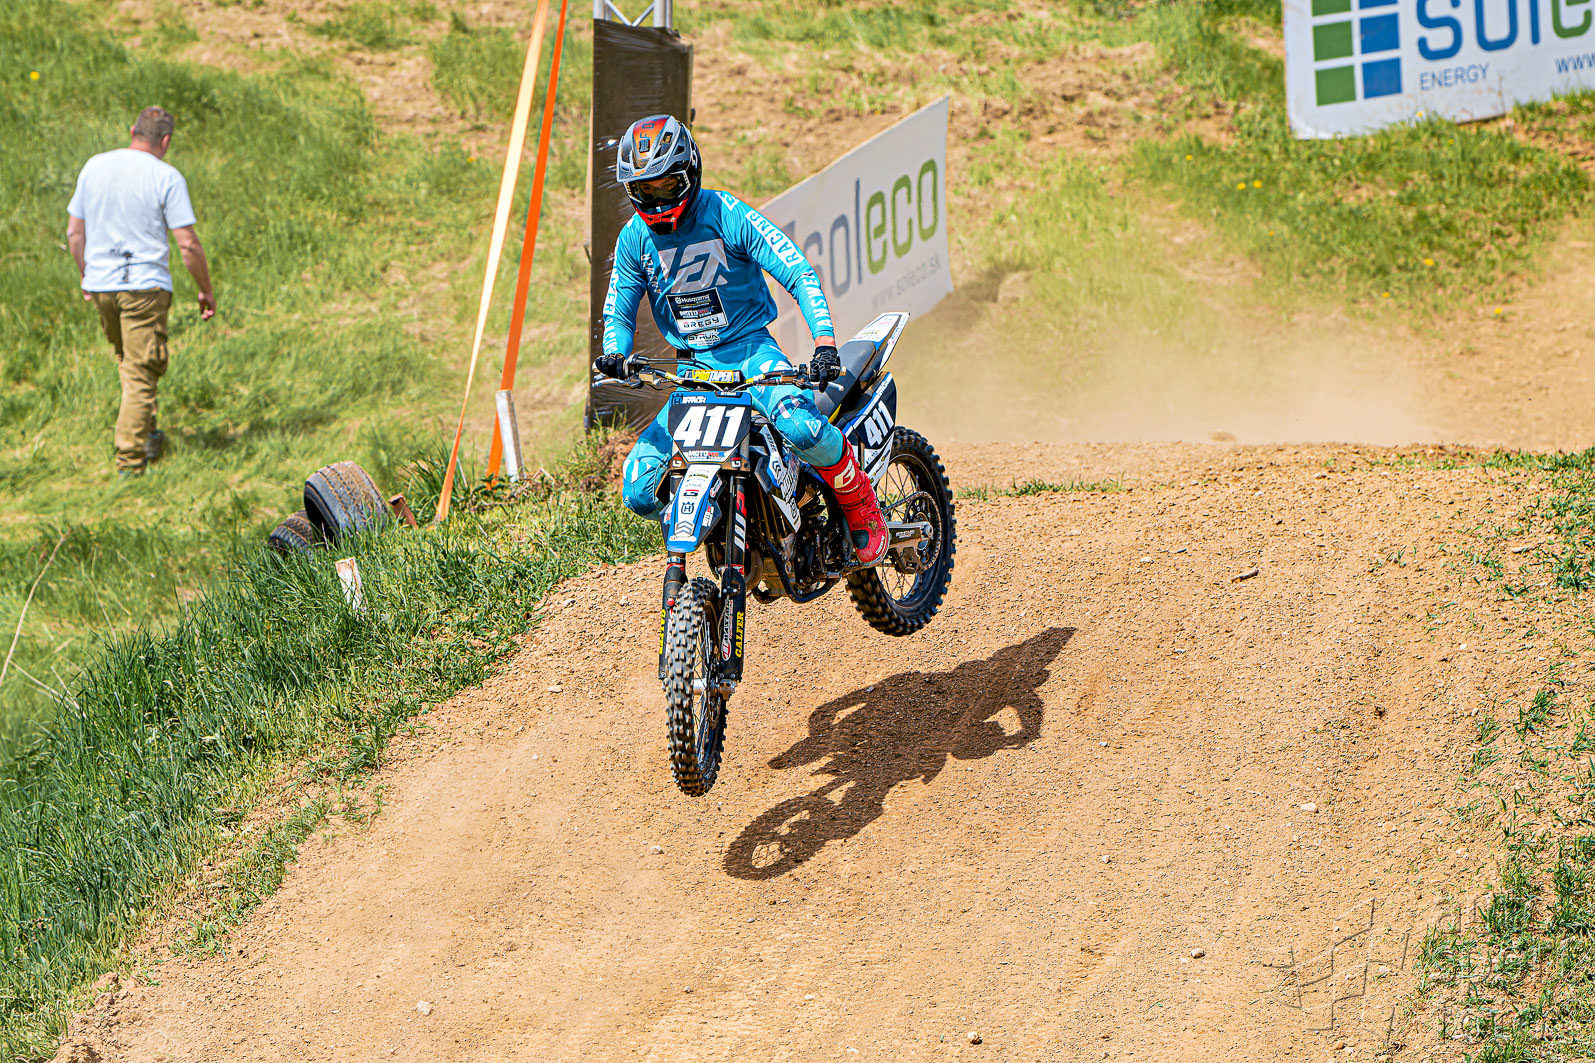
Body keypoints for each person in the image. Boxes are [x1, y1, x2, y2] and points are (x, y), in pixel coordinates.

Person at [595, 114, 888, 564]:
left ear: (691, 171)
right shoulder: (633, 238)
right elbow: (618, 308)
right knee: (639, 490)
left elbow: (798, 272)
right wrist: (615, 353)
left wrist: (825, 344)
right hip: (693, 371)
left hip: (753, 352)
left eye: (667, 186)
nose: (657, 201)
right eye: (644, 191)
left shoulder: (727, 213)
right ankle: (732, 524)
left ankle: (859, 500)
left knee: (801, 427)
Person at [67, 105, 215, 478]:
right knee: (140, 371)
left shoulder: (94, 166)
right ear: (165, 141)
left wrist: (86, 274)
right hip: (144, 287)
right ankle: (131, 463)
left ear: (133, 131)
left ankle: (148, 434)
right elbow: (188, 244)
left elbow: (74, 233)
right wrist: (205, 290)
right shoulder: (166, 176)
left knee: (129, 362)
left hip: (102, 283)